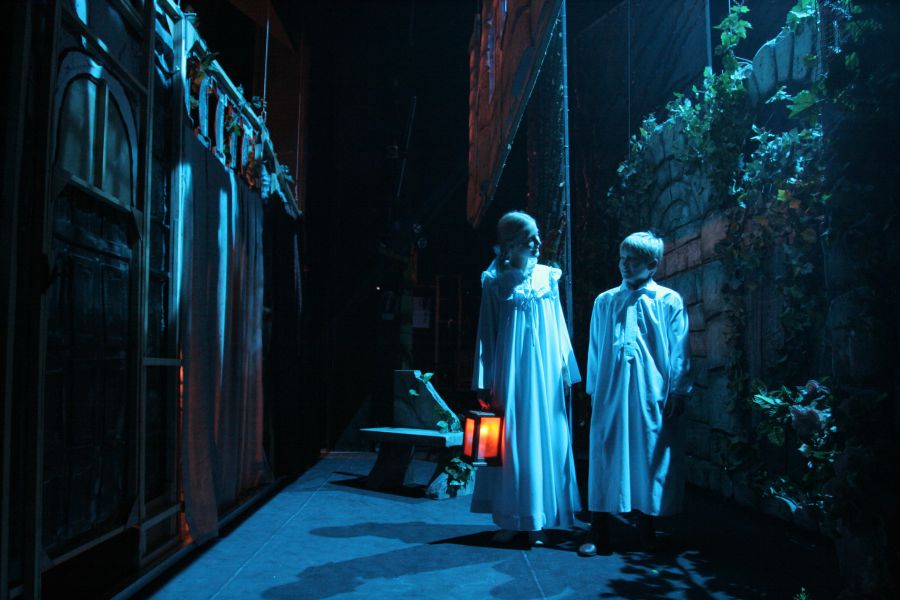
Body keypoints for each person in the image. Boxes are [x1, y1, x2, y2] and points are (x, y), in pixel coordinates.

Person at [471, 211, 582, 546]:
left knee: (544, 436)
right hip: (510, 370)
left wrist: (566, 369)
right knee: (512, 441)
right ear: (510, 244)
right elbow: (486, 331)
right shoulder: (495, 280)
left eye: (537, 236)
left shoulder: (548, 277)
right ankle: (510, 517)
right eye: (528, 238)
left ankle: (539, 518)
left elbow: (558, 325)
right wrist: (483, 381)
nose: (537, 243)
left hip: (544, 369)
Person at [580, 231, 691, 556]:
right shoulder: (605, 301)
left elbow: (679, 349)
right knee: (605, 452)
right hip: (610, 390)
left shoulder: (667, 301)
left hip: (649, 390)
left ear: (652, 264)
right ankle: (598, 529)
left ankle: (646, 528)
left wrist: (678, 390)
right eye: (622, 258)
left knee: (648, 453)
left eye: (633, 260)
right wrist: (593, 389)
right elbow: (596, 348)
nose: (625, 265)